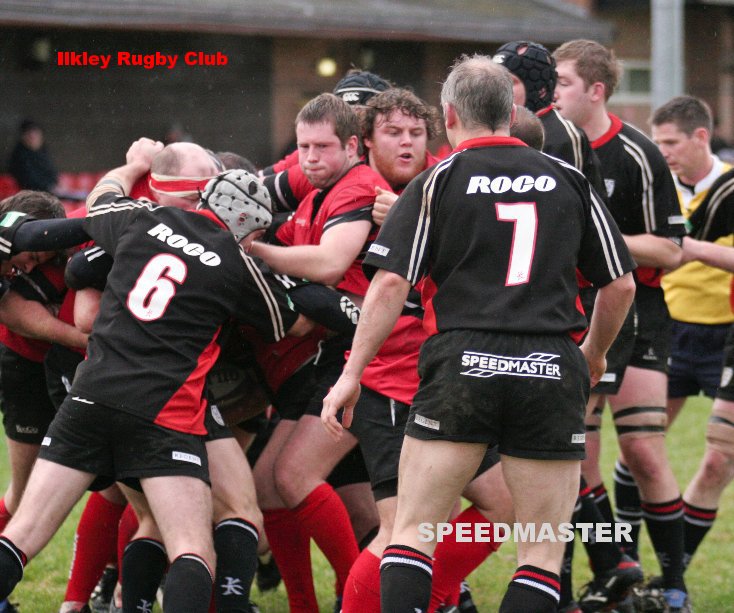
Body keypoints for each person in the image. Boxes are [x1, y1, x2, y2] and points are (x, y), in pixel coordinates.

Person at [323, 53, 636, 613]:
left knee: (414, 532)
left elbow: (392, 283)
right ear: (512, 111)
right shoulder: (570, 180)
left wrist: (350, 375)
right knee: (540, 550)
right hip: (550, 364)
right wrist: (593, 353)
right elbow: (621, 287)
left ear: (448, 116)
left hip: (462, 362)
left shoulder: (436, 181)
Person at [0, 140, 308, 611]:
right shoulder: (236, 263)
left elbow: (102, 198)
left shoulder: (140, 218)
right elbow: (285, 323)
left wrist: (131, 166)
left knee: (23, 533)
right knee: (192, 548)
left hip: (90, 396)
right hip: (164, 414)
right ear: (247, 225)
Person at [553, 39, 690, 613]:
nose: (552, 92)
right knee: (574, 459)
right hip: (579, 313)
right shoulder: (549, 144)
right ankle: (610, 571)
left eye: (562, 82)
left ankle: (674, 584)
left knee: (643, 450)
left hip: (642, 311)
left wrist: (598, 240)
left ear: (596, 90)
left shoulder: (636, 153)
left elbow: (672, 250)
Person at [652, 96, 734, 425]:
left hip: (725, 333)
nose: (663, 152)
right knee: (642, 443)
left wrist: (685, 247)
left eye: (670, 142)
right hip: (670, 329)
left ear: (700, 137)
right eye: (657, 143)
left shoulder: (728, 187)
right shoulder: (656, 189)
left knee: (721, 450)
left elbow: (672, 251)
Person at [7, 120, 58, 193]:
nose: (34, 138)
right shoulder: (20, 155)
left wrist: (52, 185)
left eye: (36, 135)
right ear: (23, 137)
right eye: (30, 136)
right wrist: (47, 186)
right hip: (28, 194)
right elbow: (28, 179)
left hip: (46, 191)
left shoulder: (43, 152)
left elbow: (52, 173)